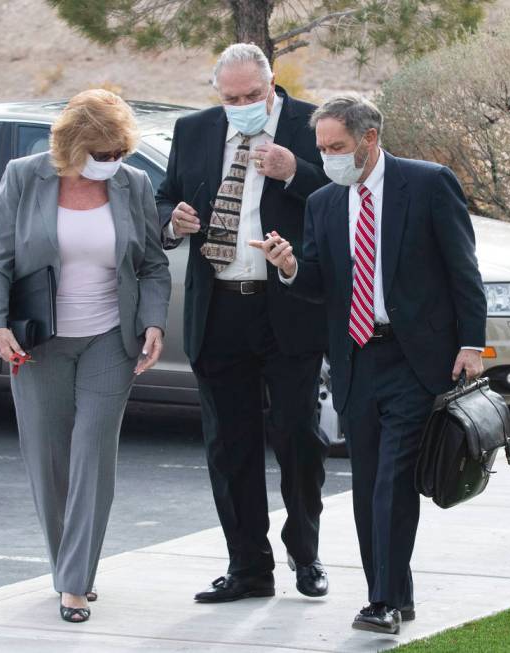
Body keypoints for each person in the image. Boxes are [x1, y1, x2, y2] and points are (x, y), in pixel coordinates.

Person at [251, 94, 487, 635]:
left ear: (369, 139)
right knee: (368, 483)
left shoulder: (426, 185)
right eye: (322, 148)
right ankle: (394, 594)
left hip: (416, 358)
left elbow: (463, 270)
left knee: (394, 480)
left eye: (336, 147)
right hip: (356, 359)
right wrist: (288, 267)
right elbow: (320, 284)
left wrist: (472, 343)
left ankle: (380, 601)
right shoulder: (326, 204)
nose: (327, 158)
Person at [0, 89, 171, 624]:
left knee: (93, 453)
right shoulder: (24, 175)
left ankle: (75, 582)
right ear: (73, 145)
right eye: (103, 154)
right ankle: (69, 565)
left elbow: (153, 264)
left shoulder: (132, 183)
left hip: (111, 337)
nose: (113, 164)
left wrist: (154, 321)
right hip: (38, 341)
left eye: (119, 153)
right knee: (48, 459)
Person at [155, 43, 331, 602]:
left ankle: (306, 556)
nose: (242, 105)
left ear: (272, 82)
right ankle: (249, 569)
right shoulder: (195, 129)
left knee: (298, 439)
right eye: (231, 98)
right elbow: (164, 199)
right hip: (220, 306)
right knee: (229, 447)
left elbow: (349, 199)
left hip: (287, 305)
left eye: (253, 96)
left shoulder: (313, 124)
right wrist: (173, 220)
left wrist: (295, 172)